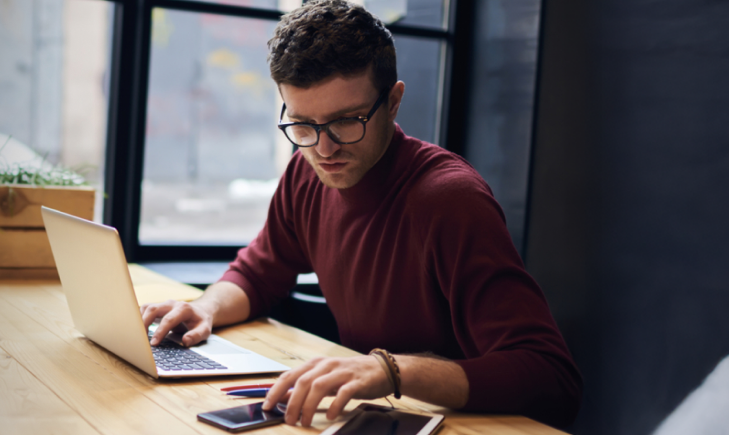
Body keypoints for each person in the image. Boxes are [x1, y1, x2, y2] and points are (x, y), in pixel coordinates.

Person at [138, 0, 582, 429]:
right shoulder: (305, 173)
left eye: (346, 121)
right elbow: (258, 273)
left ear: (393, 101)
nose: (324, 148)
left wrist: (390, 370)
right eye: (303, 124)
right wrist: (206, 308)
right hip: (381, 417)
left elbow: (551, 377)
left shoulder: (450, 200)